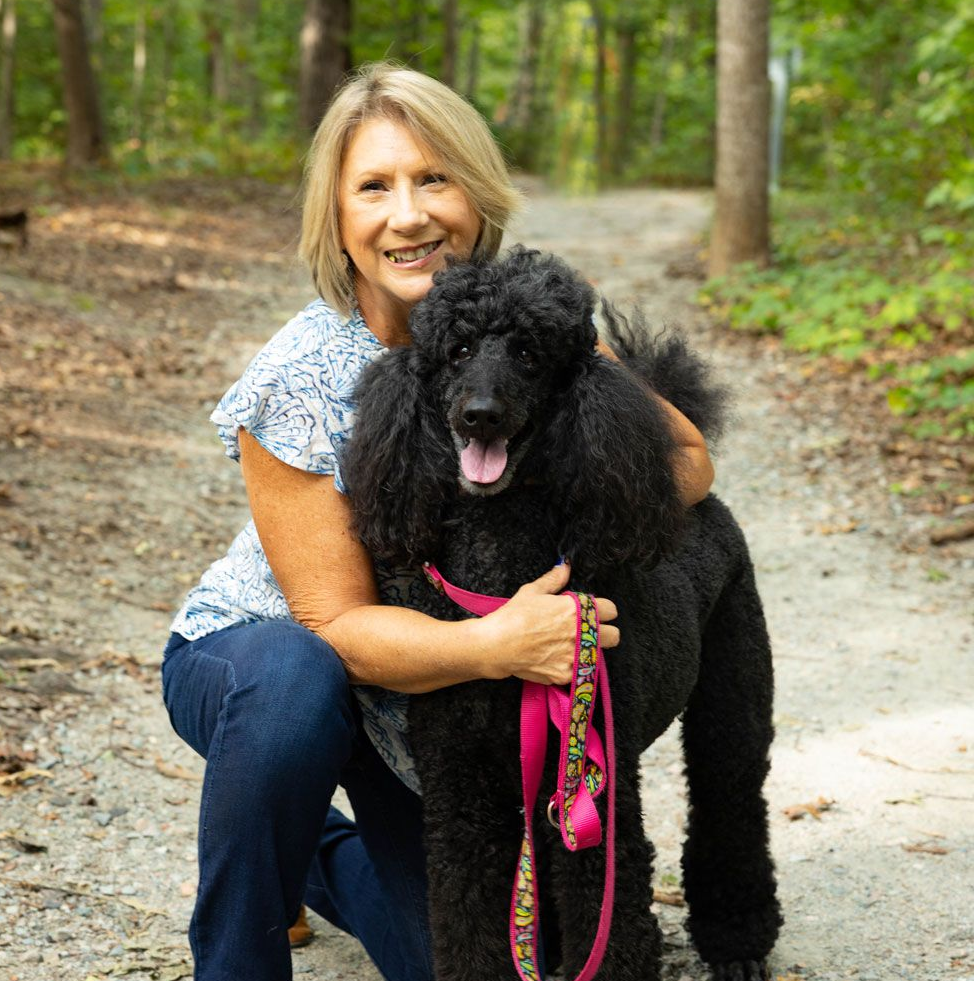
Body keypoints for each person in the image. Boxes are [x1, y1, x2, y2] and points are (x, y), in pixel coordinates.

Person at [161, 61, 714, 981]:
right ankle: (238, 949)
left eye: (434, 178)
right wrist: (504, 641)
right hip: (277, 662)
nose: (408, 214)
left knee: (459, 957)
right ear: (336, 218)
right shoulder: (298, 375)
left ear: (478, 193)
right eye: (373, 187)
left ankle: (304, 851)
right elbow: (336, 624)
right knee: (299, 682)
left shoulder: (528, 321)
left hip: (424, 709)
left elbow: (688, 463)